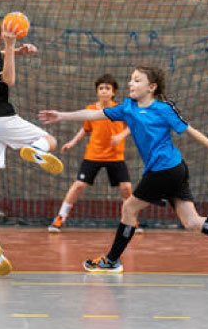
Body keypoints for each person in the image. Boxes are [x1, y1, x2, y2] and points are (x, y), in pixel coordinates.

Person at [39, 66, 208, 274]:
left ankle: (111, 261)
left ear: (151, 87)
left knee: (129, 208)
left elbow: (190, 130)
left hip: (165, 170)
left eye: (137, 80)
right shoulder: (128, 107)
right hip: (172, 169)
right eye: (130, 80)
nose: (131, 83)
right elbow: (93, 115)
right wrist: (62, 116)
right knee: (192, 221)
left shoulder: (163, 110)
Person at [0, 11, 64, 276]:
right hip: (1, 119)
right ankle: (36, 150)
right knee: (49, 139)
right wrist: (10, 46)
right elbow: (8, 78)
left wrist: (15, 51)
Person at [49, 74, 140, 234]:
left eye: (107, 88)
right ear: (97, 91)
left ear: (113, 92)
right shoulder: (91, 110)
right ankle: (60, 217)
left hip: (115, 156)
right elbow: (86, 129)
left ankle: (130, 219)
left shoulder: (120, 110)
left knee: (126, 187)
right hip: (93, 155)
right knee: (79, 185)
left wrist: (120, 136)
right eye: (101, 88)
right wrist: (72, 142)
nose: (104, 91)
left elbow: (131, 126)